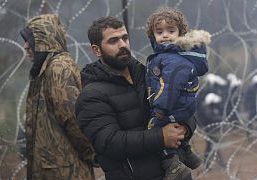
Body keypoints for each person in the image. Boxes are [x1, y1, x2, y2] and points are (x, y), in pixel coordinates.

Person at [75, 16, 196, 180]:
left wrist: (184, 128)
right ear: (97, 50)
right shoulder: (91, 95)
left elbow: (183, 106)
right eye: (113, 41)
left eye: (125, 38)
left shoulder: (149, 75)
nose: (123, 45)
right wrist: (161, 137)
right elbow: (109, 142)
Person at [20, 14, 95, 179]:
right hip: (53, 170)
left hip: (67, 171)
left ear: (45, 40)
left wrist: (92, 155)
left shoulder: (59, 68)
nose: (25, 46)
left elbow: (73, 120)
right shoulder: (44, 69)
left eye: (31, 40)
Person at [145, 7, 211, 180]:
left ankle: (172, 165)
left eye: (171, 31)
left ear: (181, 34)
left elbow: (169, 87)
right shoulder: (171, 56)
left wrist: (159, 109)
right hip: (182, 108)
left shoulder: (172, 59)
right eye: (159, 32)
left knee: (154, 131)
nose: (165, 35)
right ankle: (187, 152)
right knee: (173, 130)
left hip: (172, 107)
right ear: (153, 36)